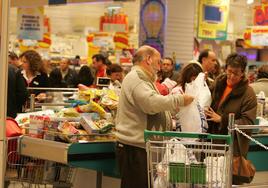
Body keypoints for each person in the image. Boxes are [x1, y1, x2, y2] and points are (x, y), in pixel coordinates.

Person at [115, 45, 194, 188]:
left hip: (140, 147)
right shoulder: (137, 78)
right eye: (158, 62)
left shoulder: (144, 78)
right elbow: (150, 104)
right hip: (134, 148)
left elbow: (153, 106)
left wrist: (173, 112)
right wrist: (180, 100)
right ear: (148, 59)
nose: (160, 68)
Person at [205, 53, 257, 184]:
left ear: (242, 73)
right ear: (225, 68)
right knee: (210, 181)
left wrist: (222, 120)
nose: (232, 76)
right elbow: (207, 101)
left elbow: (247, 123)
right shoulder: (219, 83)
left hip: (231, 150)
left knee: (227, 182)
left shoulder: (248, 94)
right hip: (211, 145)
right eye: (229, 71)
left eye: (236, 73)